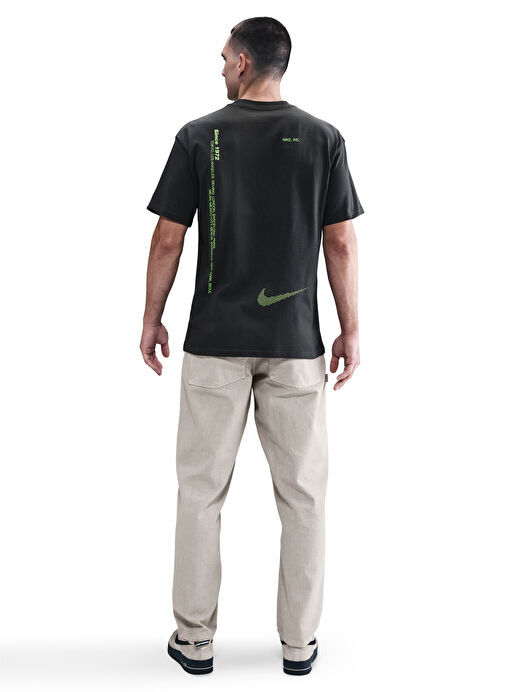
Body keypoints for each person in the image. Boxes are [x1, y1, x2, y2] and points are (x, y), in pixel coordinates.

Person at [140, 16, 364, 676]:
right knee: (304, 499)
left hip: (214, 342)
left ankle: (195, 641)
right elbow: (340, 241)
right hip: (295, 344)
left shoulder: (198, 135)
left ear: (242, 62)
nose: (219, 68)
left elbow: (168, 237)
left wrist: (151, 318)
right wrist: (350, 327)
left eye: (222, 58)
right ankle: (298, 644)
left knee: (200, 494)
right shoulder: (322, 138)